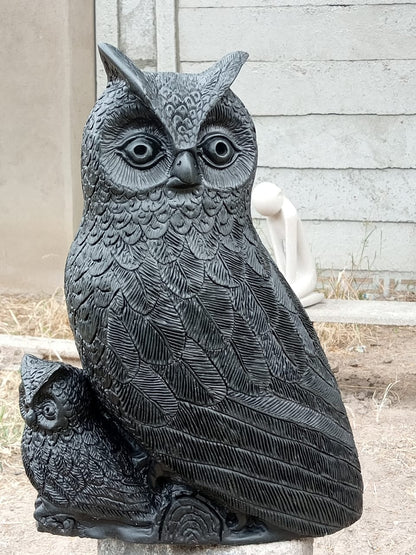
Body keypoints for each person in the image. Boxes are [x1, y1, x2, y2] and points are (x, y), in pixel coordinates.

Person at [252, 181, 324, 308]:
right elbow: (278, 249)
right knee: (276, 297)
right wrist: (281, 280)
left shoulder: (289, 215)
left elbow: (291, 254)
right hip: (289, 278)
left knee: (286, 300)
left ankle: (311, 298)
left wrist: (287, 285)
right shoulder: (271, 213)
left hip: (305, 276)